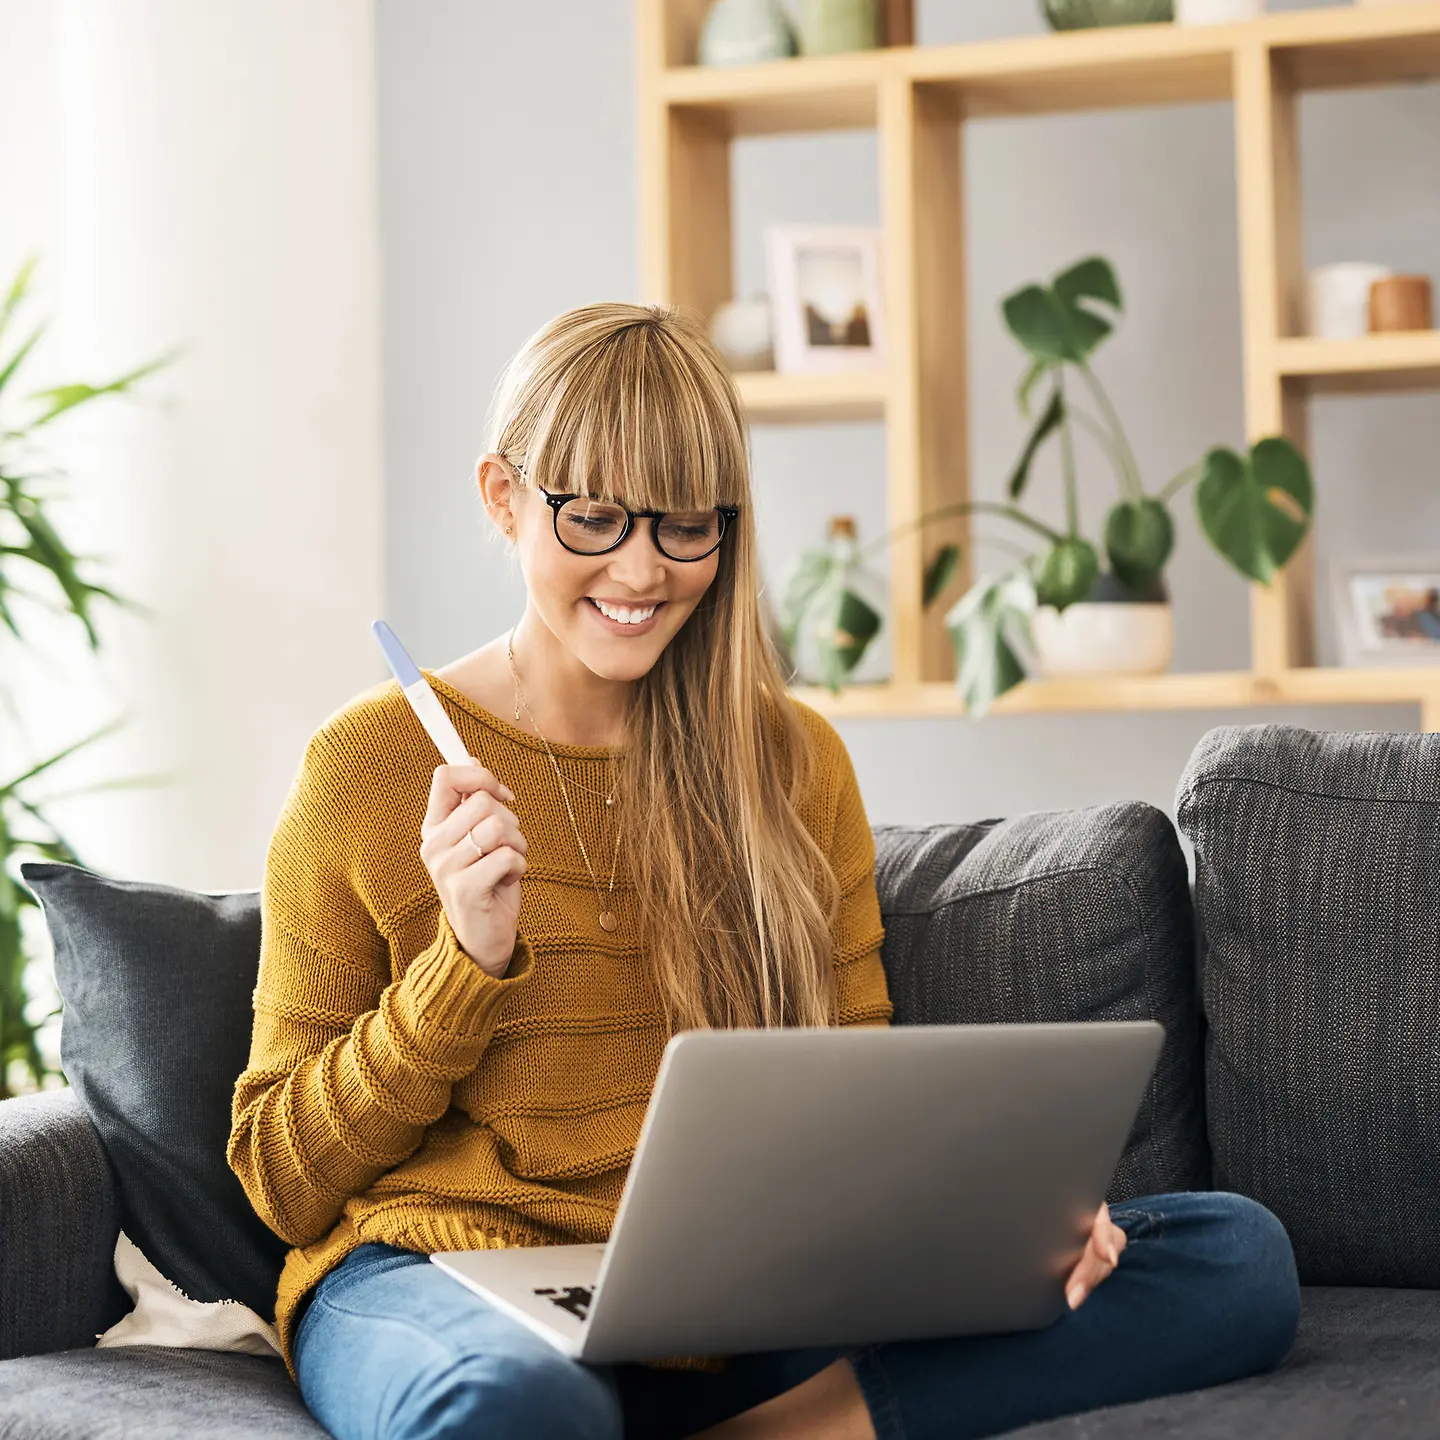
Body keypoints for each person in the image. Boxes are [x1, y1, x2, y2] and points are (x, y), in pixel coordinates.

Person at [227, 302, 1300, 1440]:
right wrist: (463, 964)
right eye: (592, 518)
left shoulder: (791, 763)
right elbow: (280, 1179)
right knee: (512, 1405)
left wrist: (1000, 1233)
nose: (642, 570)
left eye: (688, 526)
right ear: (503, 498)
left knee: (1236, 1256)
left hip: (730, 1306)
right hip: (436, 1276)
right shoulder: (366, 768)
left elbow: (852, 1100)